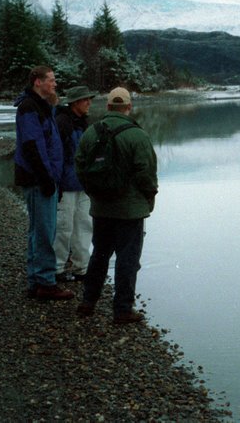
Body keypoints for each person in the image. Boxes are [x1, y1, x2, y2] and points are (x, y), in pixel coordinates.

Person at [76, 87, 158, 324]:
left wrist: (93, 193)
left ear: (108, 106)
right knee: (127, 259)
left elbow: (80, 166)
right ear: (129, 107)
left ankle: (88, 302)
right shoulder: (138, 135)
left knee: (99, 254)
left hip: (101, 208)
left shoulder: (91, 132)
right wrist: (150, 197)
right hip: (130, 210)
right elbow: (146, 173)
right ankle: (122, 310)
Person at [14, 65, 73, 301]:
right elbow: (32, 145)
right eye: (51, 80)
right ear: (37, 82)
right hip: (39, 179)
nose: (55, 83)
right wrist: (46, 178)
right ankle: (46, 283)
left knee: (39, 230)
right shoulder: (29, 108)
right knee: (45, 232)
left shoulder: (41, 106)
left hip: (44, 178)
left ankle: (36, 281)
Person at [53, 85, 97, 283]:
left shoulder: (84, 123)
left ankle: (82, 268)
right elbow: (57, 156)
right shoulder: (62, 123)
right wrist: (57, 183)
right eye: (85, 99)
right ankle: (57, 268)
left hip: (83, 184)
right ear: (75, 102)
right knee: (64, 227)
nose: (89, 103)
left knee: (84, 225)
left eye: (89, 99)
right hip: (66, 185)